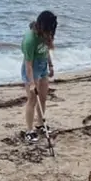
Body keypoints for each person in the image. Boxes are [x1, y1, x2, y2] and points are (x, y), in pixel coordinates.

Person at [21, 11, 57, 142]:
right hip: (32, 69)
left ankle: (40, 125)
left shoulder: (46, 33)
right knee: (32, 99)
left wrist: (51, 65)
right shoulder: (30, 40)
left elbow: (46, 50)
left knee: (43, 98)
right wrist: (31, 83)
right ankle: (29, 131)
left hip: (43, 68)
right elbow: (28, 65)